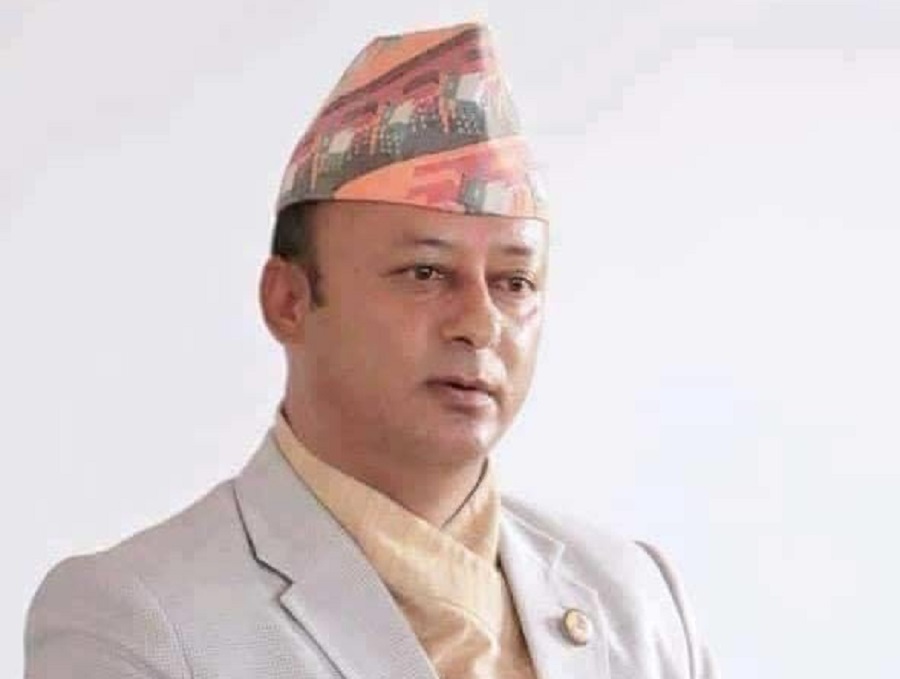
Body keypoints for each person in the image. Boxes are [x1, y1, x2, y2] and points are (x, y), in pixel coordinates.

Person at [25, 22, 716, 679]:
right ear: (288, 301)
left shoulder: (631, 596)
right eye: (425, 272)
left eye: (514, 282)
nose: (480, 323)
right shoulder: (139, 618)